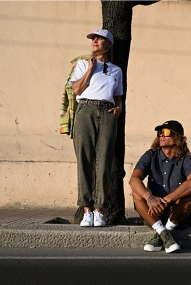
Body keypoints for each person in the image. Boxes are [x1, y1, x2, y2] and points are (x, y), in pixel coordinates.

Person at [70, 29, 123, 227]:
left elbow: (118, 95)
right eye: (93, 38)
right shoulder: (83, 64)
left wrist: (119, 108)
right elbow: (76, 89)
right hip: (85, 110)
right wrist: (90, 70)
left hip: (107, 113)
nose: (94, 41)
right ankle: (86, 209)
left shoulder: (116, 70)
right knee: (84, 159)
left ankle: (100, 209)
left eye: (99, 38)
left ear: (108, 45)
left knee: (104, 161)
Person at [129, 120, 191, 253]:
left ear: (177, 137)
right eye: (160, 133)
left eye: (166, 132)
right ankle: (163, 232)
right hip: (153, 212)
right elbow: (133, 179)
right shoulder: (151, 155)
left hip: (177, 214)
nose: (161, 135)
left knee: (189, 194)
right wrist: (149, 197)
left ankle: (164, 232)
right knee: (136, 193)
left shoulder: (186, 159)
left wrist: (166, 200)